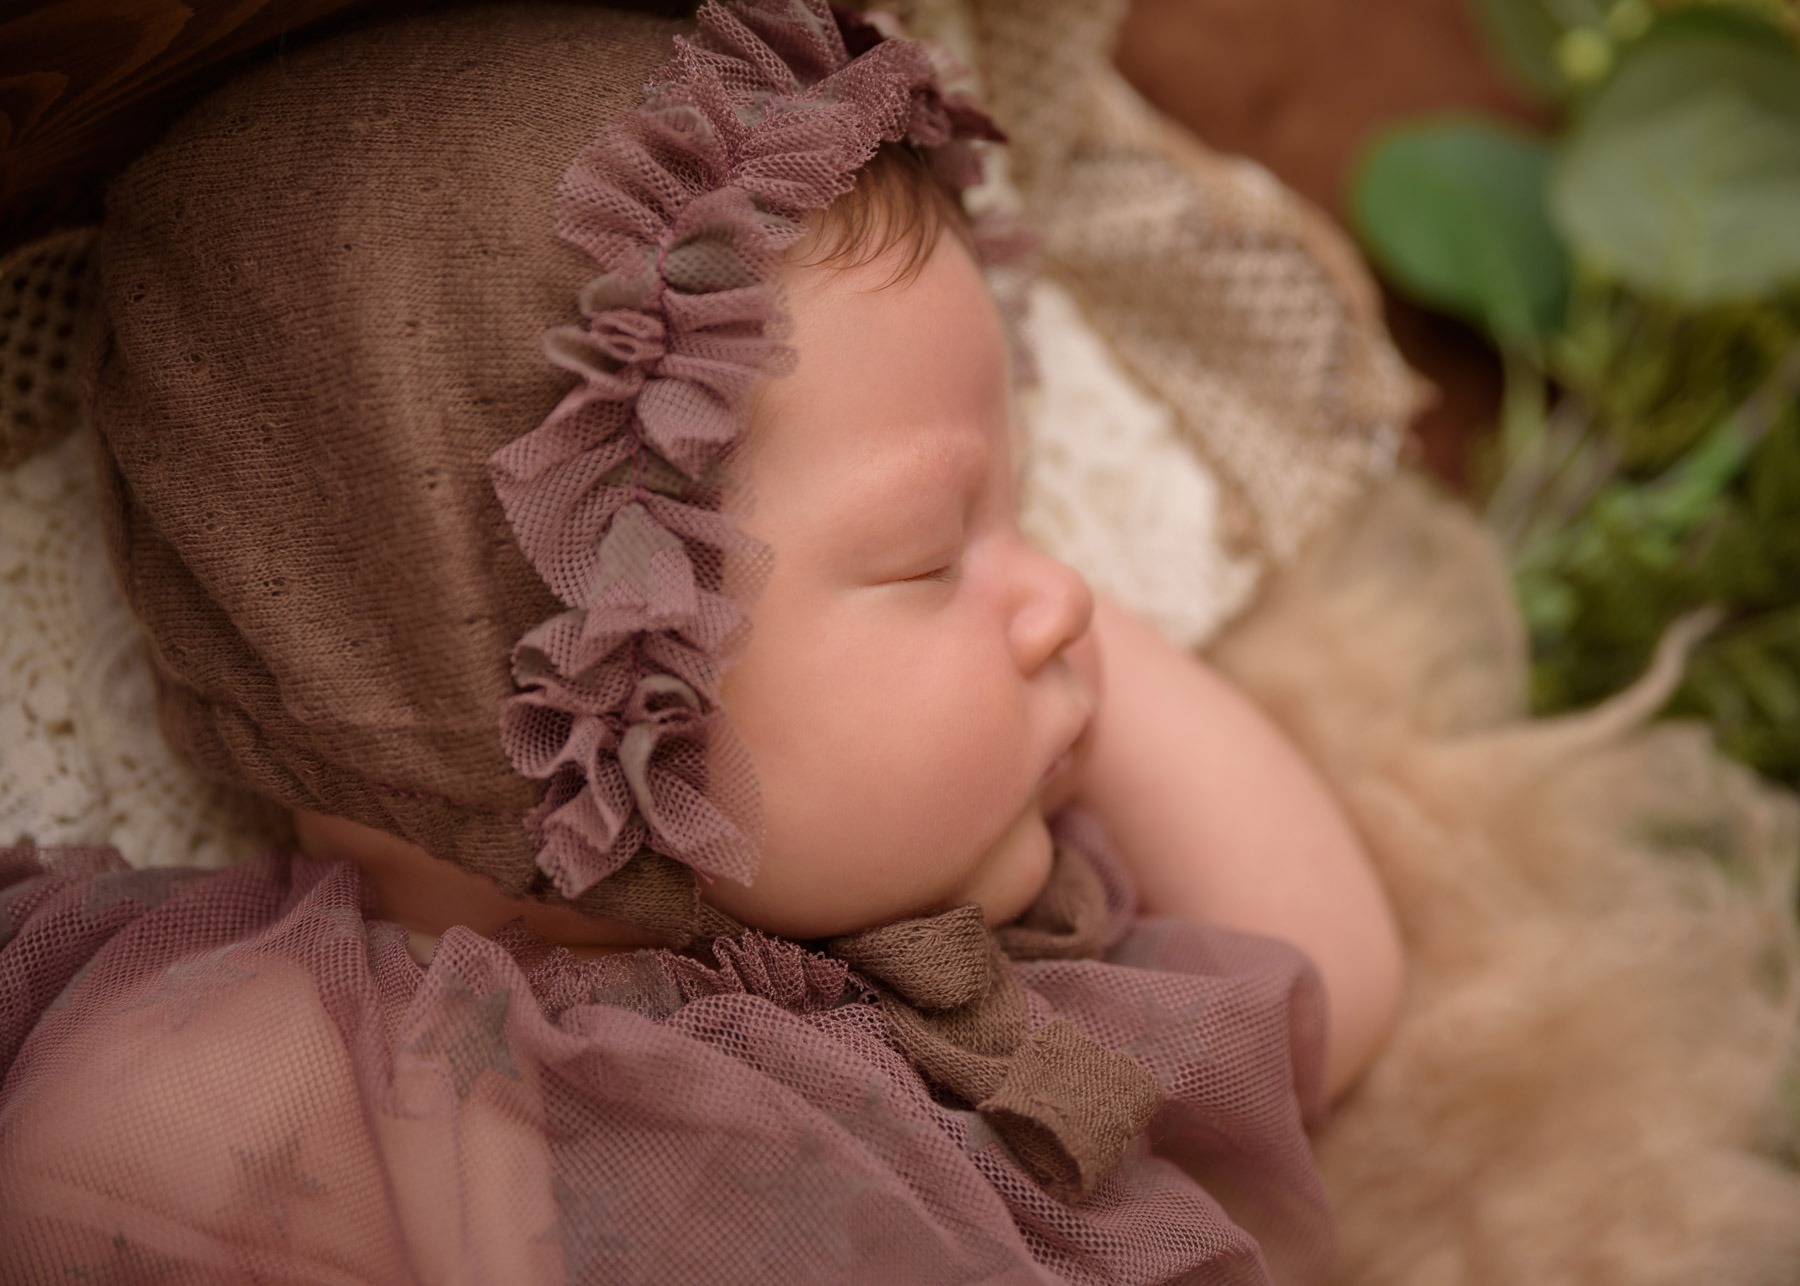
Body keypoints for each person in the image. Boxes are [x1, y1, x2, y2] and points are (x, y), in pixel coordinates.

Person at [0, 2, 1400, 1280]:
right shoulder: (269, 1098)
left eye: (1023, 522)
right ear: (578, 668)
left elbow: (1327, 987)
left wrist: (1066, 645)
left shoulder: (973, 942)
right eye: (930, 553)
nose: (1064, 598)